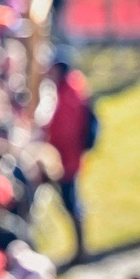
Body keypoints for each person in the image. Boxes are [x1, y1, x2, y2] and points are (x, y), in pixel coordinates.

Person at [39, 55, 93, 261]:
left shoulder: (69, 93)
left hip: (66, 159)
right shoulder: (70, 88)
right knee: (71, 203)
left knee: (72, 203)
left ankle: (81, 249)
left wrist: (50, 144)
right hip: (67, 157)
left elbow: (66, 131)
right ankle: (80, 248)